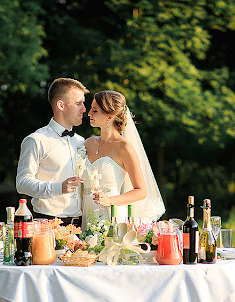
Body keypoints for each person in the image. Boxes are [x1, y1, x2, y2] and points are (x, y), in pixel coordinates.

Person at [81, 90, 165, 229]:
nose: (89, 113)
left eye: (95, 110)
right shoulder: (88, 143)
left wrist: (109, 201)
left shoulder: (124, 147)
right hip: (86, 214)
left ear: (110, 116)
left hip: (112, 215)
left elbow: (141, 191)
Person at [16, 78, 88, 227]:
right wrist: (58, 188)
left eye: (83, 103)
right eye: (78, 103)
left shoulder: (82, 142)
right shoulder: (36, 140)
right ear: (61, 105)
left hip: (81, 227)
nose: (84, 109)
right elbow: (22, 183)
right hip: (46, 226)